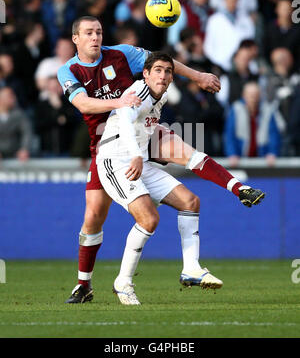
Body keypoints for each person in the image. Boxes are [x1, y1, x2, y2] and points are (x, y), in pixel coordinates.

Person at [57, 16, 261, 304]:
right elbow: (82, 103)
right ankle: (85, 284)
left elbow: (163, 63)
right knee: (93, 215)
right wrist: (121, 103)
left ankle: (233, 197)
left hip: (141, 132)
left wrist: (199, 76)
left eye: (99, 31)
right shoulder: (69, 70)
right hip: (108, 143)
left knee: (187, 166)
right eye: (89, 33)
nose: (95, 37)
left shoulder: (125, 55)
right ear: (76, 38)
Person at [96, 52, 265, 305]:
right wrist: (137, 155)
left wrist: (148, 147)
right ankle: (123, 282)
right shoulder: (138, 94)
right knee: (149, 218)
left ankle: (191, 268)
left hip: (138, 158)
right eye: (157, 71)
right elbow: (124, 119)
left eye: (167, 71)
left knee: (190, 201)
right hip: (116, 160)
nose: (162, 76)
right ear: (145, 74)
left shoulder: (161, 95)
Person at [224, 81, 285, 167]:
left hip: (262, 159)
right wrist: (232, 154)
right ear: (244, 95)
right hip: (241, 159)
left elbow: (274, 134)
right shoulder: (236, 109)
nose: (253, 98)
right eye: (250, 95)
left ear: (260, 96)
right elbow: (230, 135)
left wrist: (272, 153)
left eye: (255, 95)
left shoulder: (267, 110)